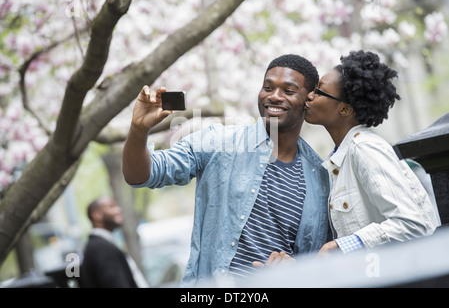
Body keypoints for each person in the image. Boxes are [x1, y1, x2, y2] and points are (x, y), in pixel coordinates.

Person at [122, 54, 331, 285]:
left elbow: (320, 265)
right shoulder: (218, 142)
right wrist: (138, 130)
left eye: (288, 91)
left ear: (308, 99)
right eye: (267, 87)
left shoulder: (320, 178)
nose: (274, 96)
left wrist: (294, 269)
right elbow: (141, 175)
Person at [303, 50, 439, 254]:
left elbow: (412, 223)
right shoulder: (341, 157)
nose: (309, 95)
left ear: (345, 110)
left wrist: (342, 246)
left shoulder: (365, 149)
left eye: (319, 91)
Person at [79, 196, 150, 288]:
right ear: (96, 215)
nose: (118, 209)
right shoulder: (101, 248)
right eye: (111, 206)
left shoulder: (100, 245)